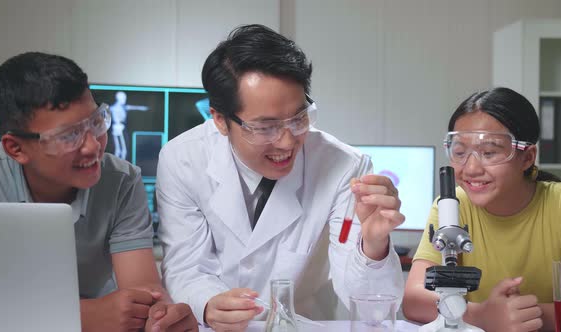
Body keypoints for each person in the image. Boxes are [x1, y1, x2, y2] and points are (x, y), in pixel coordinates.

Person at [157, 24, 405, 331]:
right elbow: (185, 267)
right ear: (220, 119)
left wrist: (373, 245)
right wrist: (208, 303)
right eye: (265, 127)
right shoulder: (182, 160)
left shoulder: (343, 167)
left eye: (299, 118)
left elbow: (371, 308)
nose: (287, 142)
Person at [0, 52, 198, 332]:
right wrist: (83, 316)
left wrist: (161, 317)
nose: (93, 147)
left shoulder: (122, 180)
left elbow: (144, 292)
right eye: (68, 136)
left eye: (96, 122)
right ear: (16, 148)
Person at [403, 87, 561, 332]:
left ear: (527, 157)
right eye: (459, 152)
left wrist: (519, 315)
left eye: (489, 153)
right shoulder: (451, 204)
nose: (471, 168)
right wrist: (482, 315)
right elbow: (414, 299)